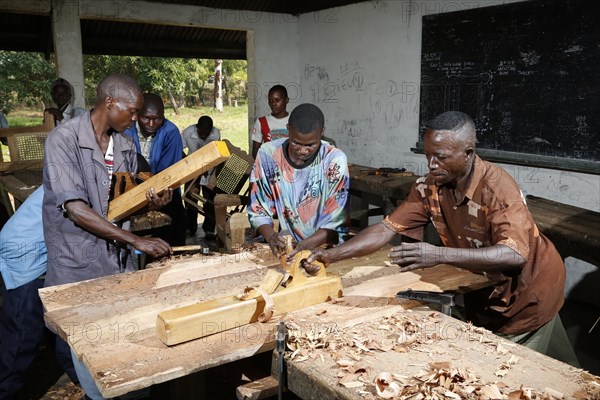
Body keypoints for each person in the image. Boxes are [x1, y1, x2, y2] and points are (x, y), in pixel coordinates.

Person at [304, 111, 578, 365]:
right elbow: (385, 229)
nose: (431, 164)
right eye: (427, 155)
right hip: (488, 292)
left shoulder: (497, 189)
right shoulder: (429, 187)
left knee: (512, 370)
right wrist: (332, 255)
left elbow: (515, 254)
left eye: (442, 157)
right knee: (560, 365)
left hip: (526, 296)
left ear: (468, 153)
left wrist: (438, 255)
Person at [43, 74, 173, 399]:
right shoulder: (63, 140)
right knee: (96, 375)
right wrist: (135, 241)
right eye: (132, 112)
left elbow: (121, 202)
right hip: (79, 269)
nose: (136, 119)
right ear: (110, 103)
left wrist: (150, 200)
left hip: (117, 269)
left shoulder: (125, 145)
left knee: (127, 367)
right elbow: (75, 209)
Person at [0, 187, 78, 399]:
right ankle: (6, 390)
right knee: (21, 337)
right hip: (26, 254)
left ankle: (85, 379)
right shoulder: (77, 177)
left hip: (39, 250)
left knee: (59, 327)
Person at [248, 103, 349, 257]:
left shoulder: (333, 160)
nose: (303, 151)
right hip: (292, 248)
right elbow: (258, 208)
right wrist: (271, 236)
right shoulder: (268, 155)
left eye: (311, 145)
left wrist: (304, 246)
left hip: (328, 251)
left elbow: (336, 220)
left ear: (321, 133)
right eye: (296, 143)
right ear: (288, 130)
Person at [123, 93, 186, 247]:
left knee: (176, 216)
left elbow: (168, 173)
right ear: (137, 114)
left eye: (157, 118)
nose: (151, 123)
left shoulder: (171, 132)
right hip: (130, 188)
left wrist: (154, 195)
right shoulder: (125, 129)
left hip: (164, 188)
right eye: (146, 118)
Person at [181, 115, 221, 238]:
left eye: (206, 134)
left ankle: (209, 229)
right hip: (192, 169)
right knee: (190, 198)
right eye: (201, 133)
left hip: (208, 168)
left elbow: (216, 152)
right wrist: (189, 162)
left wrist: (206, 168)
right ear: (197, 128)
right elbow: (178, 149)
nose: (204, 136)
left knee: (210, 199)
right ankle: (190, 227)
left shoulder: (215, 134)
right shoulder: (188, 132)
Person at [251, 85, 289, 158]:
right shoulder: (261, 122)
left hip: (290, 167)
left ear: (286, 100)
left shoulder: (294, 120)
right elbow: (255, 153)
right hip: (269, 166)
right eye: (270, 101)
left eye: (277, 100)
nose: (273, 104)